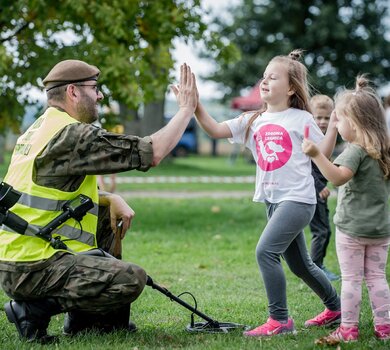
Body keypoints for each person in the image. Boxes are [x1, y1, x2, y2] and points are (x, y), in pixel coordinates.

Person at [0, 59, 198, 344]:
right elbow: (150, 153)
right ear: (73, 92)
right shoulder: (70, 134)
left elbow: (48, 190)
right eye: (94, 88)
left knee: (104, 211)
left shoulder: (39, 129)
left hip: (18, 258)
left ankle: (90, 322)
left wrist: (109, 197)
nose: (100, 95)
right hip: (31, 267)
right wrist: (186, 110)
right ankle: (30, 310)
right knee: (132, 279)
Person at [192, 49, 341, 337]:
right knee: (300, 265)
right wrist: (195, 104)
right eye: (264, 76)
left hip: (298, 199)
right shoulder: (253, 120)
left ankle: (280, 320)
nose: (264, 81)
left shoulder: (302, 119)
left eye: (273, 77)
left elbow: (323, 153)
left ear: (290, 88)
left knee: (265, 252)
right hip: (272, 201)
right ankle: (335, 309)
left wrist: (332, 127)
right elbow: (214, 129)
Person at [303, 75, 390, 343]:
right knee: (377, 278)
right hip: (381, 229)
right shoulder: (384, 149)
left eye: (339, 119)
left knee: (351, 280)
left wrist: (317, 155)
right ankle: (385, 327)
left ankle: (349, 329)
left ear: (356, 122)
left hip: (352, 229)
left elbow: (338, 177)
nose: (336, 125)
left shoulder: (356, 150)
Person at [308, 95, 339, 281]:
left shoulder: (326, 138)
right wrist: (319, 186)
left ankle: (314, 266)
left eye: (327, 118)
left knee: (324, 230)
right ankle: (316, 268)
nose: (322, 121)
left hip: (321, 191)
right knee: (321, 231)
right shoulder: (309, 139)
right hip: (313, 191)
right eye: (318, 117)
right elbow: (305, 167)